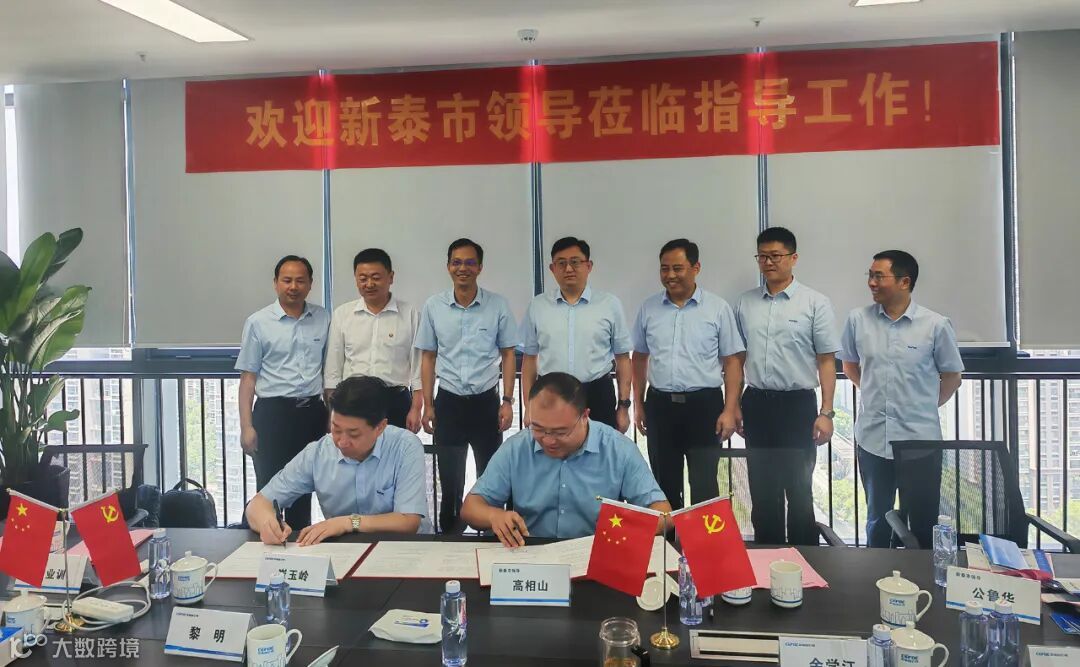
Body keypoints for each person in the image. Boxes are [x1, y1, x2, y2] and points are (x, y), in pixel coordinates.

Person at [839, 250, 963, 548]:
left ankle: (921, 576)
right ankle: (877, 574)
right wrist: (875, 396)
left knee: (922, 523)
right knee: (877, 520)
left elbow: (952, 377)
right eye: (870, 275)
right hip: (872, 439)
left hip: (920, 441)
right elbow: (850, 366)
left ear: (904, 281)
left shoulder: (935, 325)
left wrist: (922, 405)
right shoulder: (858, 320)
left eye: (878, 276)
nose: (871, 282)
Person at [460, 372, 670, 547]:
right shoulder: (517, 448)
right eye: (538, 428)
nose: (548, 440)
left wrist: (623, 533)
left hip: (597, 553)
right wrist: (494, 516)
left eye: (561, 432)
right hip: (530, 554)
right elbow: (471, 507)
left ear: (585, 416)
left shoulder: (618, 449)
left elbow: (664, 514)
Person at [734, 227, 839, 545]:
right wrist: (734, 405)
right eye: (762, 256)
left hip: (797, 405)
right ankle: (767, 556)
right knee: (762, 490)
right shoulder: (745, 303)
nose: (768, 262)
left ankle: (805, 557)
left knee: (799, 489)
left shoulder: (815, 303)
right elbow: (737, 359)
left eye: (776, 256)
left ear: (793, 258)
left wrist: (827, 412)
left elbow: (826, 361)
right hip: (757, 403)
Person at [245, 375, 430, 545]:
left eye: (354, 434)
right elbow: (257, 505)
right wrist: (268, 524)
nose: (342, 442)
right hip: (344, 551)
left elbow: (408, 521)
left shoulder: (405, 447)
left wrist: (349, 522)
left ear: (380, 427)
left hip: (403, 548)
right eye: (336, 429)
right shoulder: (318, 453)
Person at [632, 239, 744, 511]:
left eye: (677, 268)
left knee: (705, 485)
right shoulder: (648, 308)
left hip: (704, 407)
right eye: (664, 268)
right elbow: (639, 357)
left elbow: (732, 362)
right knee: (663, 484)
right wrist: (638, 404)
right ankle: (669, 538)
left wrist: (730, 409)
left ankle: (703, 540)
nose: (670, 275)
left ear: (696, 268)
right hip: (660, 406)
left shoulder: (717, 308)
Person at [416, 238, 518, 532]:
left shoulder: (497, 305)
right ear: (448, 266)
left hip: (486, 404)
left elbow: (508, 354)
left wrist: (507, 401)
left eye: (470, 262)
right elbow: (428, 357)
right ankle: (451, 539)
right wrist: (428, 406)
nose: (463, 268)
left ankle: (492, 536)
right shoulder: (434, 306)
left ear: (480, 267)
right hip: (448, 403)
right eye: (457, 262)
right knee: (450, 481)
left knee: (491, 477)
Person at [236, 255, 330, 530]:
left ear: (310, 284)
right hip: (273, 414)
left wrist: (331, 416)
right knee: (269, 489)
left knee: (305, 486)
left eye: (300, 281)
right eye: (287, 280)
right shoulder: (258, 322)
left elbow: (330, 372)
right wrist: (246, 427)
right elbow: (248, 379)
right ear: (276, 283)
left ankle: (300, 543)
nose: (293, 287)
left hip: (312, 413)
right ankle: (266, 545)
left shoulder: (323, 318)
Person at [520, 237, 633, 432]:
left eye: (575, 262)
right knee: (553, 448)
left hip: (598, 394)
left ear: (589, 266)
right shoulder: (538, 306)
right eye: (561, 263)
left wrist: (624, 407)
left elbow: (623, 359)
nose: (568, 269)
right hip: (551, 394)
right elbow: (529, 360)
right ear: (552, 269)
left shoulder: (609, 304)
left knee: (599, 448)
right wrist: (528, 406)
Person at [324, 248, 422, 432]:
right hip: (352, 401)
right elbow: (333, 370)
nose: (369, 284)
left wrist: (416, 409)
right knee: (354, 450)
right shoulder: (343, 314)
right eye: (363, 278)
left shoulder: (410, 314)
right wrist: (333, 413)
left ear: (391, 277)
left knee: (395, 450)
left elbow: (418, 367)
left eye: (376, 277)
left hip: (395, 401)